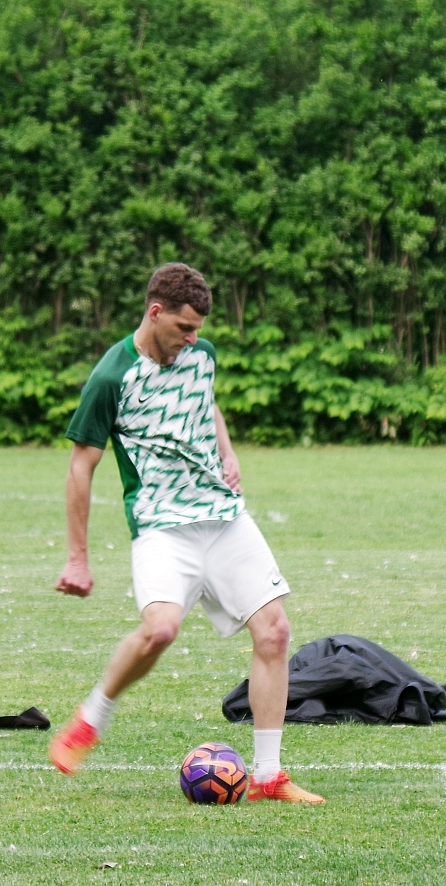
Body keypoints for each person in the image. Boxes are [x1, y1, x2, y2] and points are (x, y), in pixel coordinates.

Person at [47, 263, 322, 803]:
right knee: (161, 630)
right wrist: (77, 558)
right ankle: (91, 719)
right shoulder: (111, 377)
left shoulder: (202, 355)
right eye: (184, 328)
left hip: (223, 517)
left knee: (274, 632)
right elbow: (81, 467)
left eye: (198, 330)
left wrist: (227, 451)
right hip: (161, 524)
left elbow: (206, 401)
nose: (193, 339)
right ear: (156, 313)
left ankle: (268, 776)